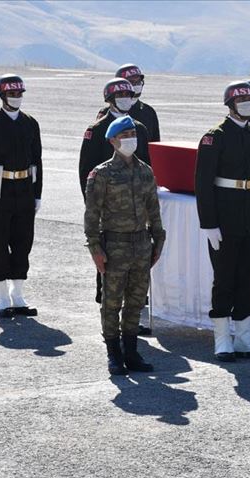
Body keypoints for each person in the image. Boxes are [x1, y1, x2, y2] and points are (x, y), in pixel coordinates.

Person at [195, 80, 250, 362]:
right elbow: (203, 183)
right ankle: (222, 338)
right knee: (224, 277)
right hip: (225, 218)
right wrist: (208, 223)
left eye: (249, 100)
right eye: (240, 101)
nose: (246, 105)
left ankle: (243, 336)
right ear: (230, 105)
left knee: (247, 277)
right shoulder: (214, 137)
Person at [84, 116, 165, 375]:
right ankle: (114, 354)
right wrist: (95, 248)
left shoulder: (145, 171)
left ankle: (132, 352)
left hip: (141, 244)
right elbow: (91, 215)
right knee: (112, 302)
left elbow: (153, 209)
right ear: (112, 140)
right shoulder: (102, 174)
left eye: (133, 134)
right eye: (124, 135)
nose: (130, 139)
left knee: (136, 300)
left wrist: (159, 240)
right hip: (114, 246)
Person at [79, 77, 153, 331]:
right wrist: (94, 210)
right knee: (108, 264)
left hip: (135, 210)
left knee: (137, 265)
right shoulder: (97, 130)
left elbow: (147, 169)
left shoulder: (139, 129)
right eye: (119, 95)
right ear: (109, 100)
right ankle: (109, 317)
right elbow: (85, 172)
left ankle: (133, 318)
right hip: (108, 211)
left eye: (128, 95)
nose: (125, 99)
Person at [0, 74, 42, 319]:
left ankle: (18, 295)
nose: (17, 98)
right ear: (2, 96)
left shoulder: (30, 123)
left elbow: (37, 161)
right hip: (0, 192)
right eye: (12, 94)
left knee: (23, 243)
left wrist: (37, 194)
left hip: (24, 189)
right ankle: (1, 298)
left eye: (19, 94)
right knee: (0, 245)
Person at [97, 64, 161, 143]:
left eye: (138, 81)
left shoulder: (149, 112)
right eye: (131, 82)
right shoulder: (107, 112)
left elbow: (155, 143)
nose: (136, 85)